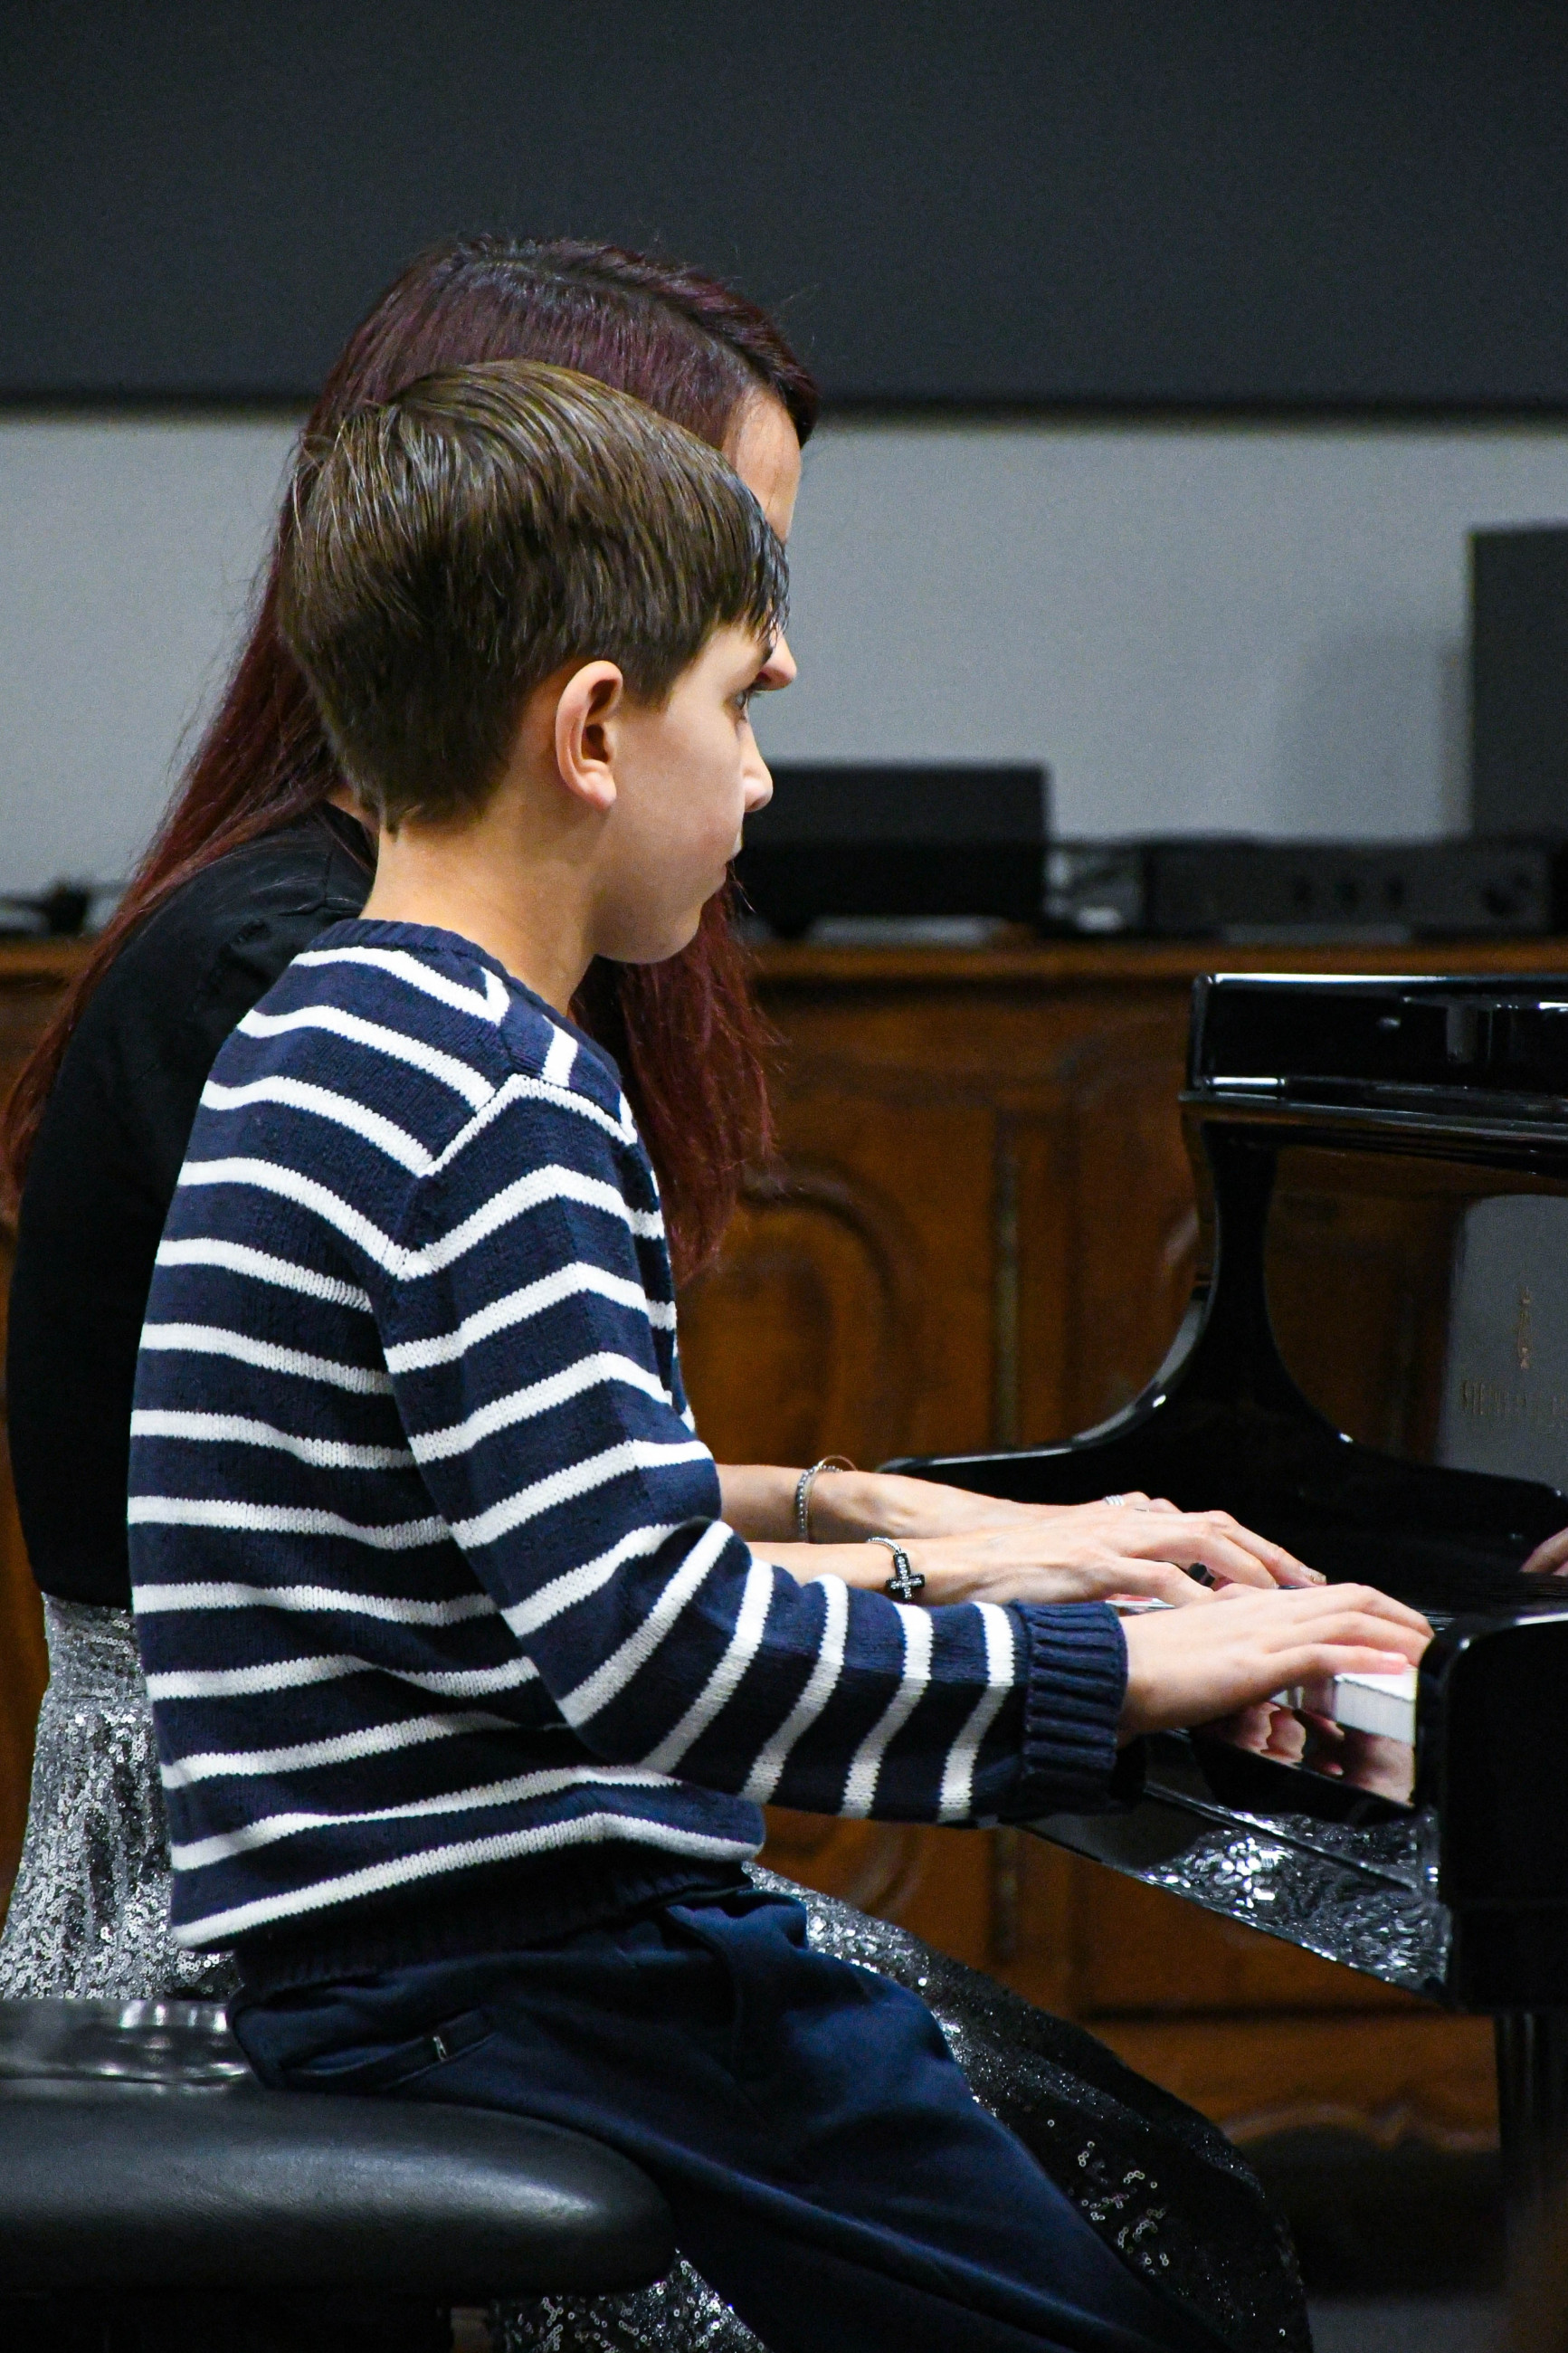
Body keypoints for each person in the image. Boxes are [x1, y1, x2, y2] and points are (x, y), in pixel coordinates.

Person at [0, 235, 1327, 2353]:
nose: (771, 779)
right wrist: (1119, 1679)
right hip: (536, 1966)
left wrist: (981, 1576)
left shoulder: (322, 1031)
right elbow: (654, 1645)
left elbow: (536, 1562)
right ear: (597, 728)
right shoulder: (490, 1094)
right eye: (746, 702)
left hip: (392, 1950)